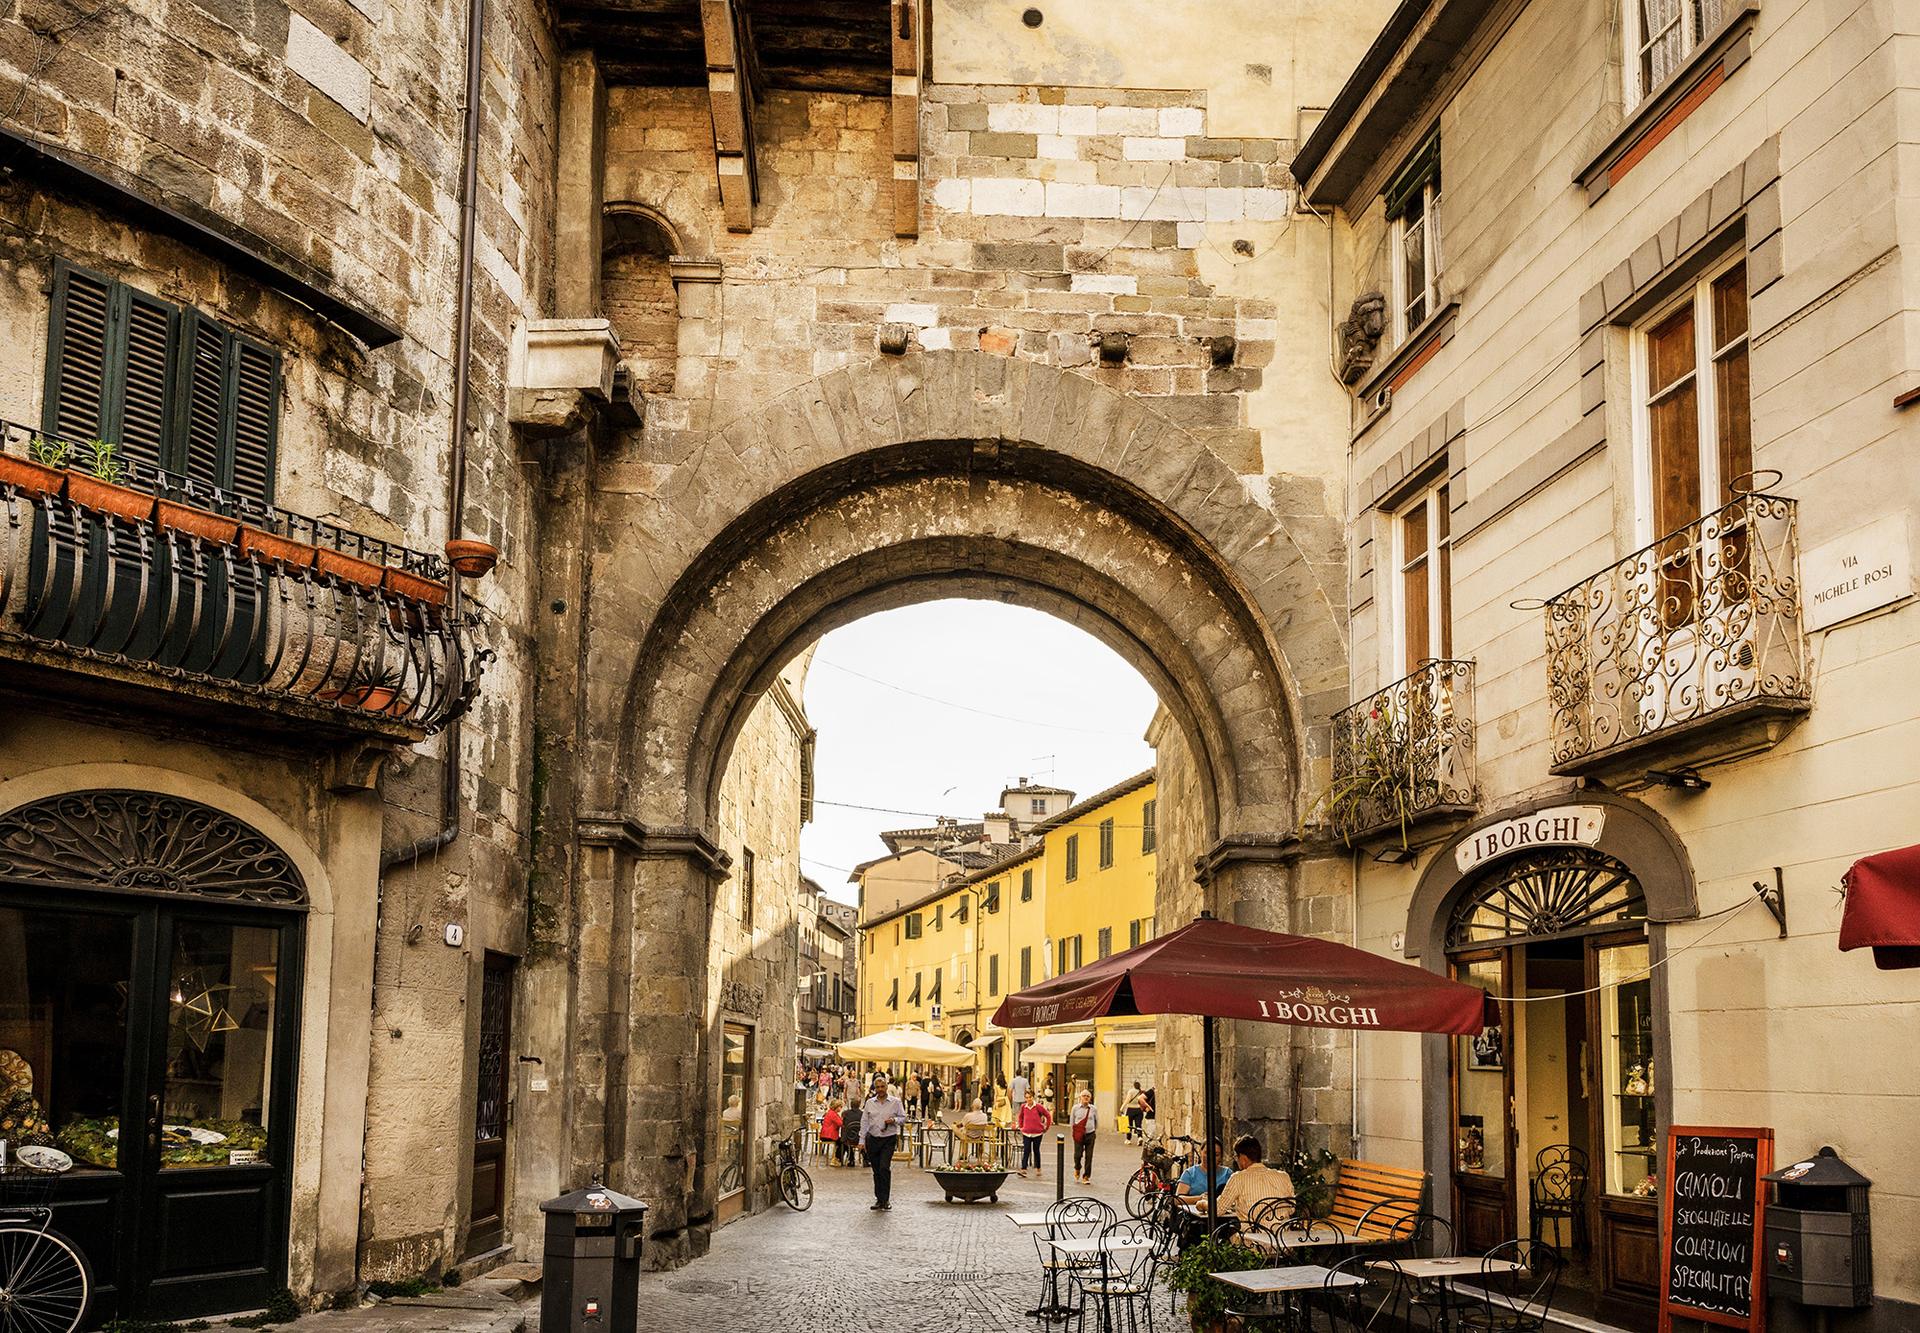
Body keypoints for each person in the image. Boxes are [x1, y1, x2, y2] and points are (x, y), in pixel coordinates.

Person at [1215, 1135, 1296, 1221]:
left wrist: (1203, 1204)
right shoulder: (1283, 1176)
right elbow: (1292, 1209)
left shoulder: (1238, 1178)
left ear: (1243, 1158)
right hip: (1281, 1233)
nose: (1236, 1160)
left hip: (1252, 1233)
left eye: (1236, 1157)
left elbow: (1217, 1210)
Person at [860, 1075, 907, 1209]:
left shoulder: (895, 1102)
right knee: (876, 1170)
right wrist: (861, 1140)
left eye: (882, 1087)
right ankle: (878, 1199)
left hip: (888, 1139)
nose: (880, 1089)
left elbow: (903, 1118)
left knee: (884, 1168)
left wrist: (894, 1120)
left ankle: (885, 1199)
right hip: (873, 1139)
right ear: (874, 1088)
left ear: (886, 1087)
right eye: (878, 1087)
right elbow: (864, 1122)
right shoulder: (869, 1103)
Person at [1014, 1087, 1052, 1179]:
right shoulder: (1024, 1107)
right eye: (1026, 1098)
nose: (1028, 1099)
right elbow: (1020, 1117)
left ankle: (1038, 1168)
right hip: (1026, 1132)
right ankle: (1023, 1168)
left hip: (1037, 1133)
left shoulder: (1038, 1107)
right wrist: (1021, 1126)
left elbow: (1048, 1115)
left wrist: (1046, 1127)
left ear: (1033, 1097)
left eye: (1030, 1097)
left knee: (1036, 1151)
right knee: (1026, 1150)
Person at [1069, 1089, 1098, 1183]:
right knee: (1077, 1155)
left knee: (1089, 1156)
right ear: (1080, 1097)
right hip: (1079, 1135)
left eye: (1088, 1096)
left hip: (1090, 1134)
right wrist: (1074, 1133)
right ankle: (1077, 1167)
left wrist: (1093, 1131)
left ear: (1090, 1098)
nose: (1086, 1097)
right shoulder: (1075, 1108)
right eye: (1084, 1096)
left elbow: (1096, 1122)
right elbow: (1072, 1122)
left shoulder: (1093, 1109)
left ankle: (1086, 1176)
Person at [821, 1098, 844, 1167]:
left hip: (824, 1135)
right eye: (840, 1107)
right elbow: (841, 1123)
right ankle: (836, 1159)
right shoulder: (833, 1114)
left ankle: (837, 1159)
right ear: (836, 1107)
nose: (841, 1108)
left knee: (841, 1141)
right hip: (829, 1135)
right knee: (842, 1142)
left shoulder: (830, 1112)